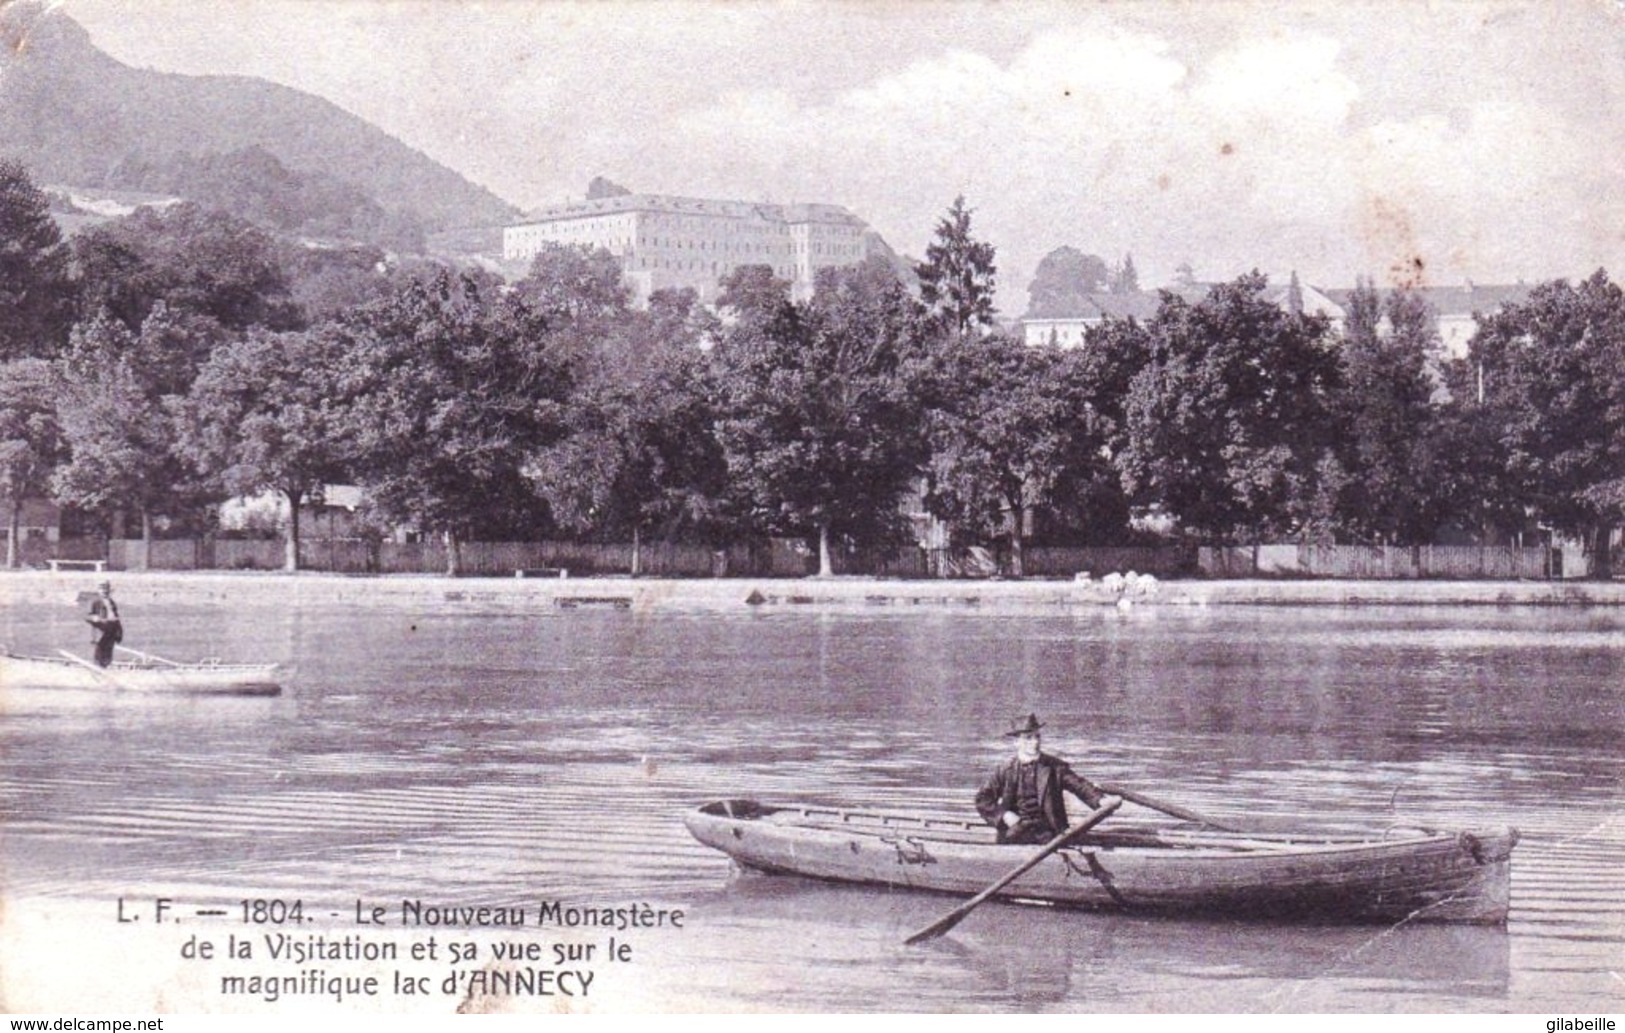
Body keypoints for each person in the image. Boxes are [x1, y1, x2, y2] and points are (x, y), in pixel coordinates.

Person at [975, 713, 1107, 845]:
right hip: (1016, 832)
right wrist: (1004, 815)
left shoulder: (1054, 767)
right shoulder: (1005, 770)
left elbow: (1080, 786)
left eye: (1037, 736)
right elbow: (982, 799)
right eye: (1028, 738)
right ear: (1016, 742)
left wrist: (1100, 800)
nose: (1035, 742)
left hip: (1050, 834)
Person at [85, 580, 123, 667]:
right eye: (102, 588)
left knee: (108, 651)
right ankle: (97, 670)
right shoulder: (95, 602)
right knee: (99, 652)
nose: (105, 591)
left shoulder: (112, 602)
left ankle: (106, 668)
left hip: (112, 629)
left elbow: (116, 616)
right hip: (101, 630)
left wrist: (119, 631)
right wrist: (95, 618)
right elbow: (87, 615)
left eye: (106, 589)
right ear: (98, 590)